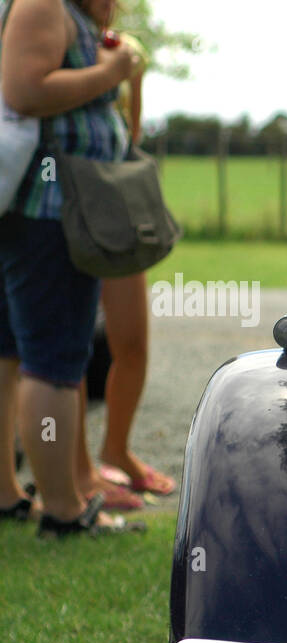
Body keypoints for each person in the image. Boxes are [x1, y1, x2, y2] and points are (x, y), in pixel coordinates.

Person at [0, 0, 140, 535]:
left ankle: (8, 492)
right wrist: (112, 71)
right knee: (53, 362)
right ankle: (61, 508)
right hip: (48, 211)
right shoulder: (43, 4)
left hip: (34, 210)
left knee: (14, 352)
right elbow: (26, 90)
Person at [70, 0, 172, 507]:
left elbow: (130, 136)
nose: (111, 5)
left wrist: (135, 76)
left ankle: (117, 450)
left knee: (131, 340)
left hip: (112, 206)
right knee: (58, 355)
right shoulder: (56, 32)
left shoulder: (107, 44)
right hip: (64, 205)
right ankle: (77, 470)